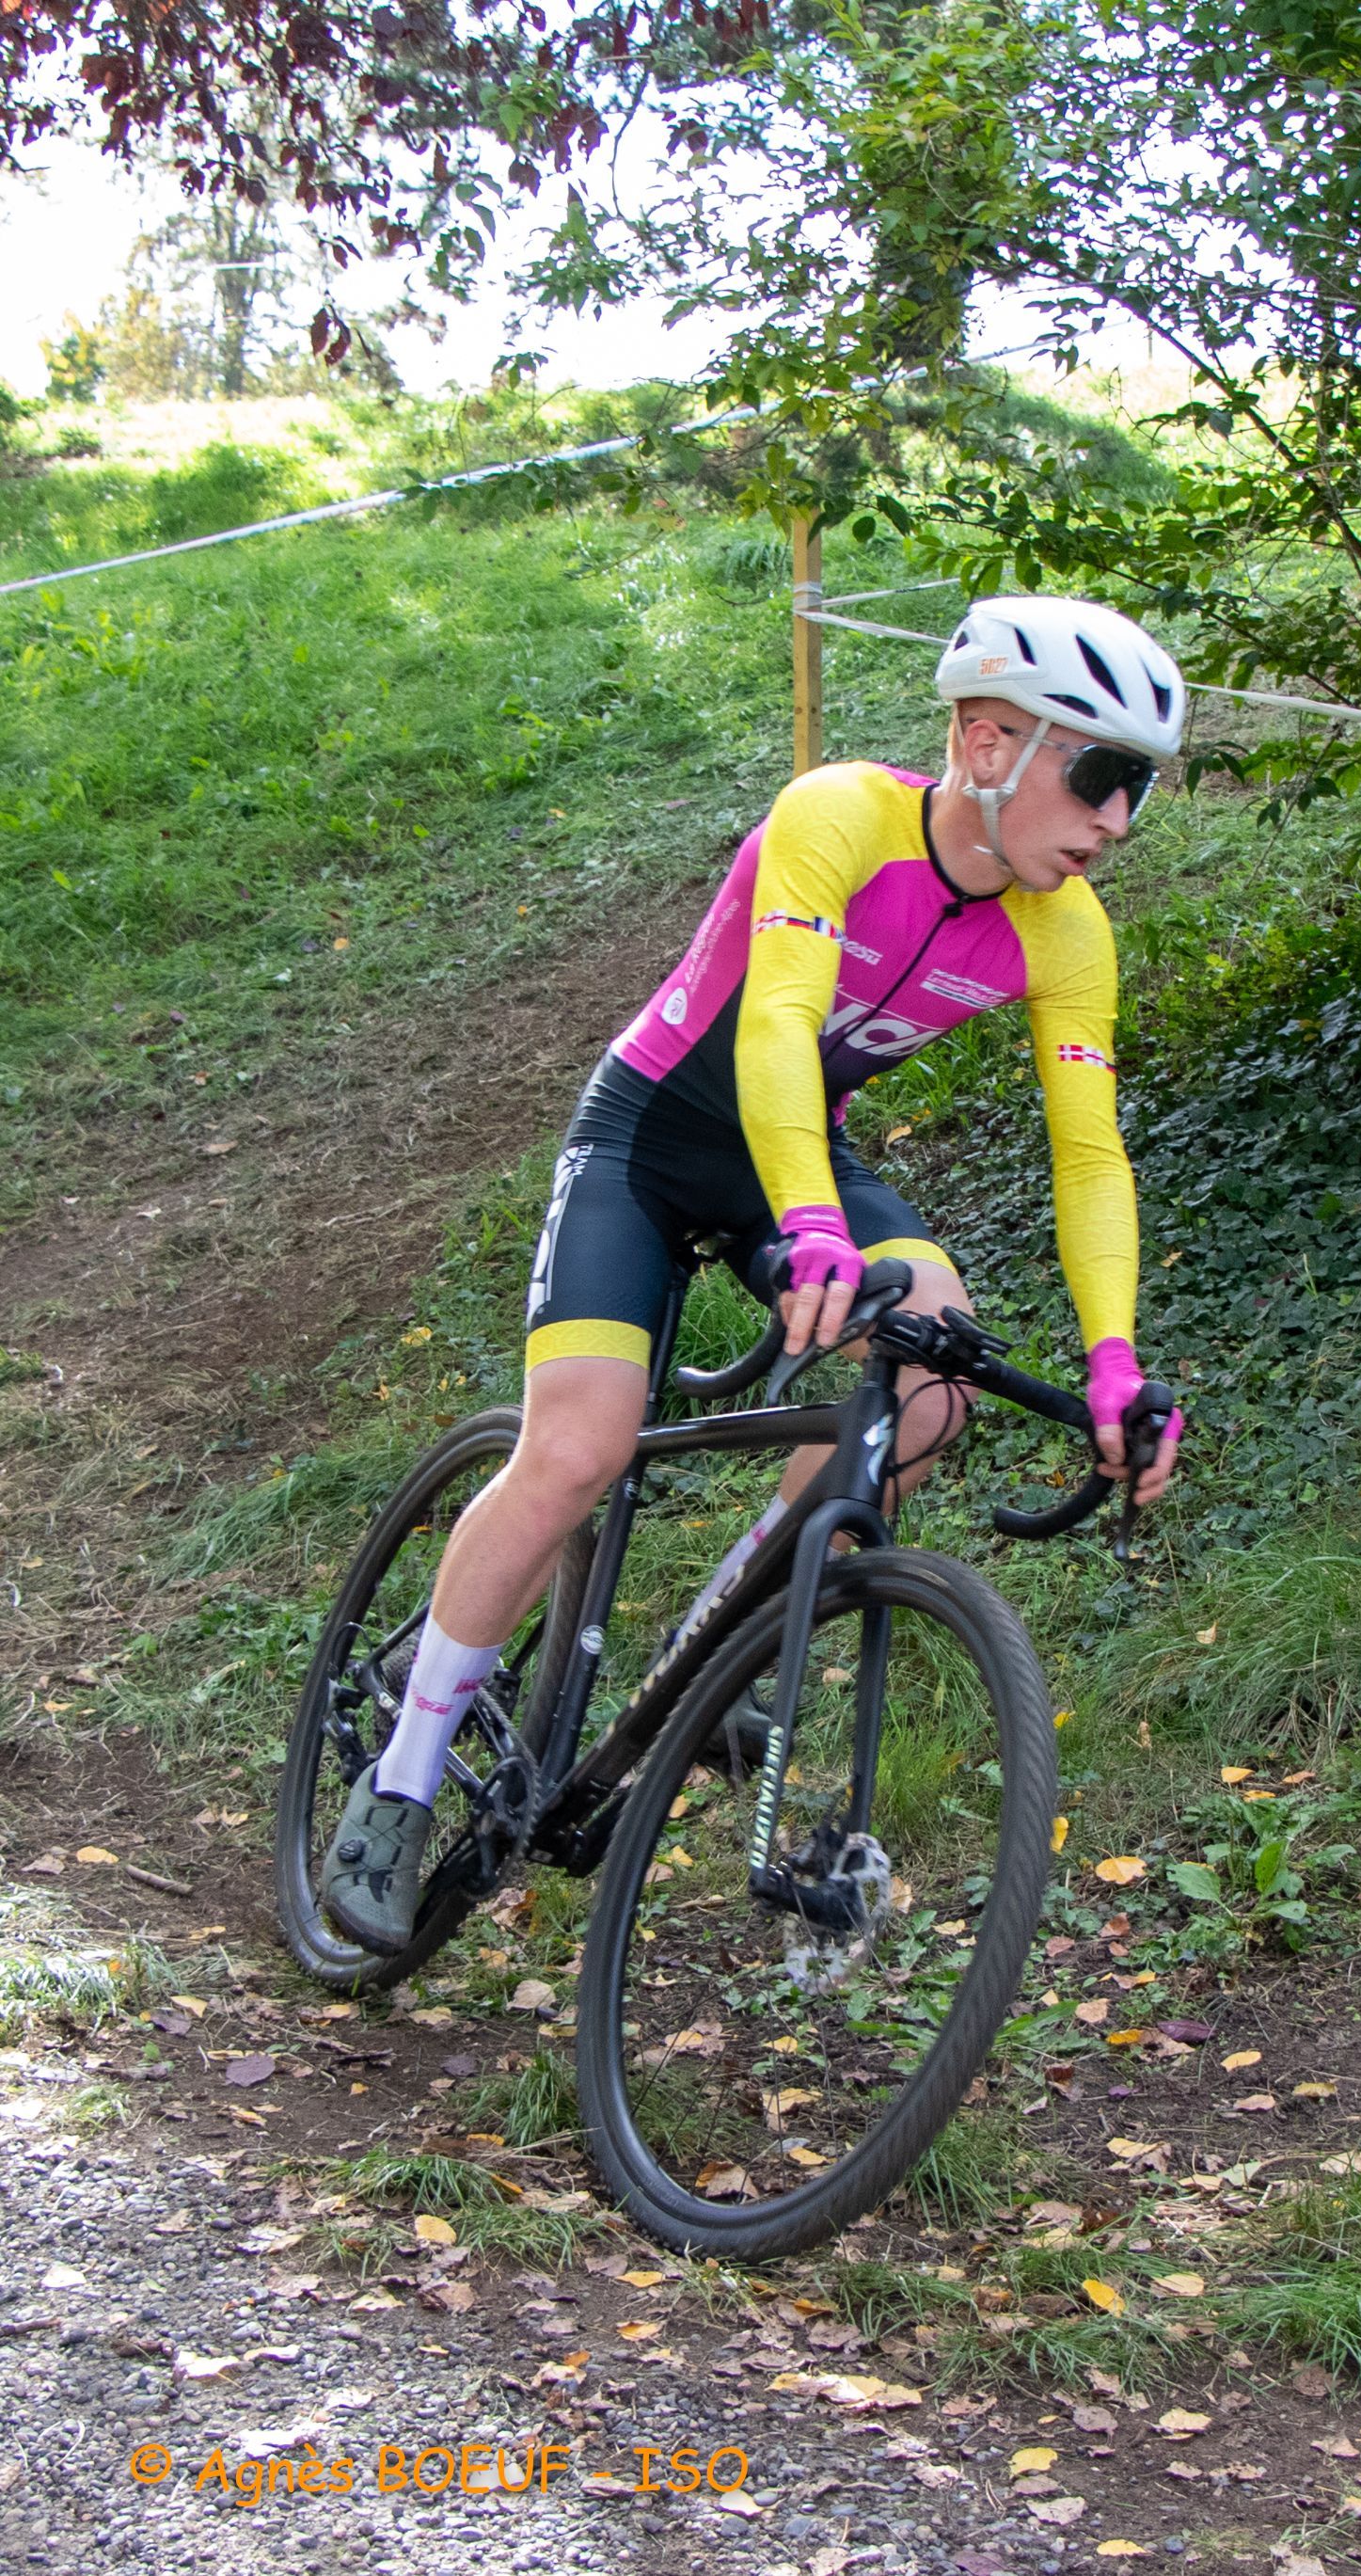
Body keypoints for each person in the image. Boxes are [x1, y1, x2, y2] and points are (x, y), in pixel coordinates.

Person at [320, 594, 1188, 1951]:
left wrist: (1113, 1360)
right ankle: (400, 1777)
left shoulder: (1066, 931)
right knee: (578, 1450)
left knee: (932, 1381)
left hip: (796, 1155)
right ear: (988, 742)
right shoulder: (838, 815)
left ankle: (730, 1639)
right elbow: (776, 1021)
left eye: (1141, 786)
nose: (1118, 819)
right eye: (1101, 775)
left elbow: (1089, 1156)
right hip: (652, 1137)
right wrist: (810, 1225)